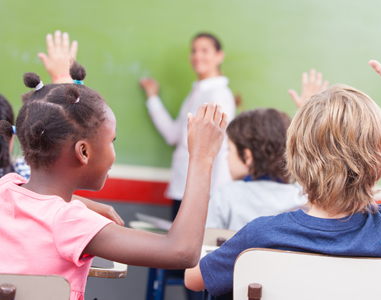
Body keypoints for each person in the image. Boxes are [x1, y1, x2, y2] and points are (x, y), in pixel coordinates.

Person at [184, 20, 381, 297]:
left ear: (294, 156)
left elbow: (192, 278)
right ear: (379, 160)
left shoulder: (259, 238)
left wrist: (202, 158)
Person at [0, 59, 227, 300]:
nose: (113, 151)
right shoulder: (73, 222)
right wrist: (202, 158)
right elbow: (182, 252)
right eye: (112, 141)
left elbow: (39, 205)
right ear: (83, 152)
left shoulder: (7, 187)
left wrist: (88, 204)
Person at [140, 33, 236, 219]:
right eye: (194, 50)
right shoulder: (197, 91)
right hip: (183, 187)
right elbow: (174, 135)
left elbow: (219, 146)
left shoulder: (218, 94)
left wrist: (214, 197)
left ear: (219, 55)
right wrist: (152, 98)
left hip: (201, 193)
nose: (197, 56)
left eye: (204, 50)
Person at [205, 108, 307, 231]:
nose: (226, 157)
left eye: (229, 150)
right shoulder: (302, 198)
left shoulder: (225, 196)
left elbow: (206, 243)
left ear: (247, 156)